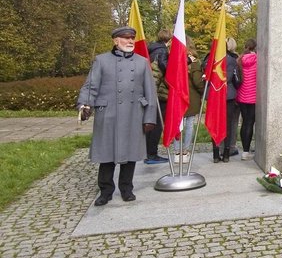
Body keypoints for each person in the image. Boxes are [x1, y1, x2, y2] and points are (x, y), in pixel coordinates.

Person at [77, 26, 157, 206]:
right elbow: (91, 87)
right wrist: (84, 105)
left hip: (134, 114)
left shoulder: (142, 62)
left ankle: (126, 188)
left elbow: (150, 91)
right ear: (115, 41)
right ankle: (105, 191)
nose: (130, 41)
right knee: (107, 155)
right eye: (126, 38)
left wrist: (150, 117)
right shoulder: (101, 61)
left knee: (130, 154)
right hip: (109, 114)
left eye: (132, 38)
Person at [208, 38, 242, 162]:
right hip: (228, 95)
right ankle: (226, 154)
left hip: (213, 95)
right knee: (227, 124)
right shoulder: (232, 60)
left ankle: (216, 154)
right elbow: (237, 79)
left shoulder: (208, 59)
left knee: (214, 124)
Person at [143, 29, 171, 164]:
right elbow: (166, 68)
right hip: (158, 91)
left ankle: (147, 152)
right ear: (169, 39)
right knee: (157, 123)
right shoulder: (162, 51)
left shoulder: (151, 49)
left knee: (150, 121)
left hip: (149, 90)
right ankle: (152, 154)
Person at [176, 41, 205, 161]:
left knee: (178, 125)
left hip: (178, 95)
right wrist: (203, 90)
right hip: (191, 96)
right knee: (189, 125)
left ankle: (177, 153)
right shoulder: (194, 62)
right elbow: (198, 81)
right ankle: (185, 151)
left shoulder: (175, 59)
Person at [237, 39, 258, 161]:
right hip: (253, 96)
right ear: (255, 48)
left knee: (244, 122)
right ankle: (246, 151)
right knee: (250, 123)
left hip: (241, 95)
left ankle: (245, 150)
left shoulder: (239, 59)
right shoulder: (257, 60)